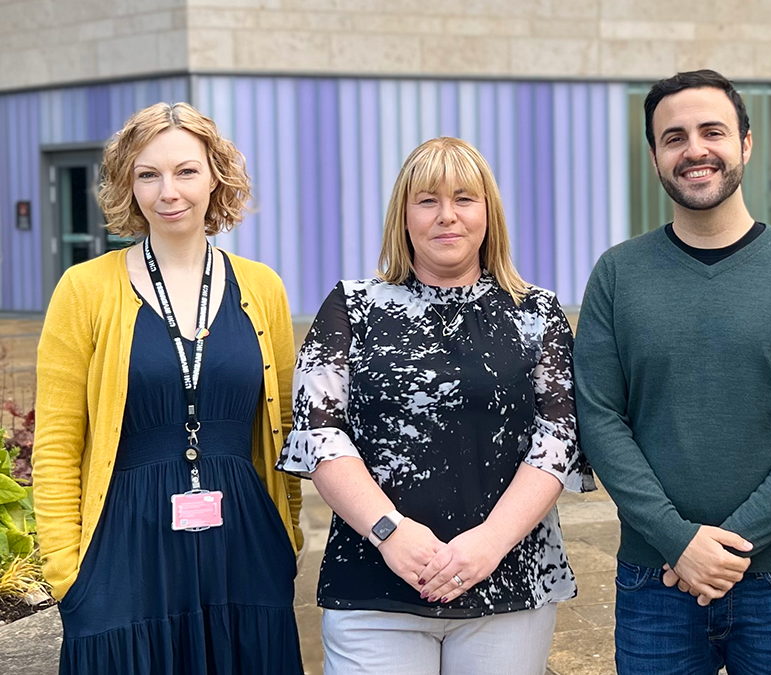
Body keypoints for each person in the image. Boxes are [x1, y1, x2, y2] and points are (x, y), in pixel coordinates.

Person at [573, 69, 771, 675]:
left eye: (712, 131)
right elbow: (600, 419)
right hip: (656, 578)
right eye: (674, 137)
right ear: (654, 155)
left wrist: (727, 546)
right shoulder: (618, 275)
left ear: (746, 143)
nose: (695, 150)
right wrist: (678, 540)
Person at [276, 136, 590, 675]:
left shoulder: (536, 312)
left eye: (464, 199)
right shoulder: (351, 306)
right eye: (427, 201)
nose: (447, 216)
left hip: (509, 583)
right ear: (403, 215)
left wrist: (489, 543)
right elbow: (318, 433)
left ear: (488, 212)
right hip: (375, 586)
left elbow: (559, 437)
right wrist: (390, 532)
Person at [33, 102, 304, 673]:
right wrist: (65, 570)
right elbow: (56, 445)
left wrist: (288, 540)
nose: (168, 191)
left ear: (216, 176)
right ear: (127, 186)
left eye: (186, 170)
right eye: (147, 174)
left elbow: (288, 435)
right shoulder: (83, 290)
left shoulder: (264, 288)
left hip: (244, 547)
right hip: (122, 550)